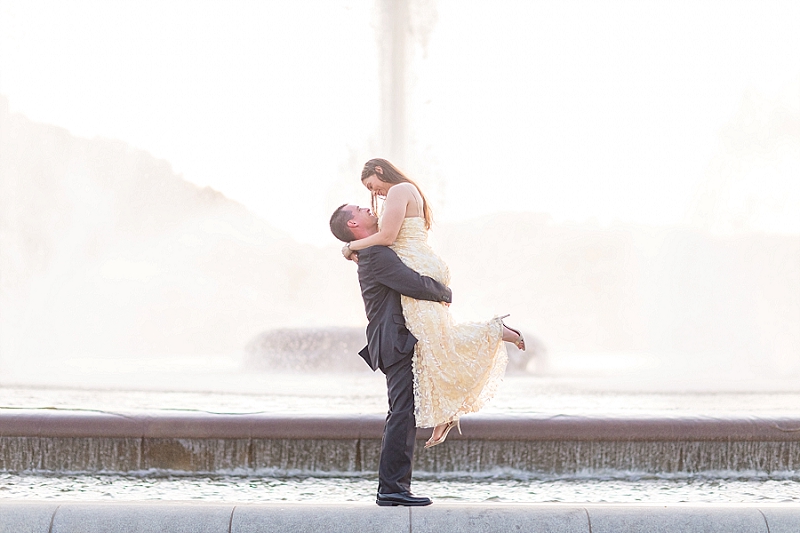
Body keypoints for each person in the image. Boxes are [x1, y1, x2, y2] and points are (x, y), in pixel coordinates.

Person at [341, 158, 525, 448]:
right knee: (432, 344)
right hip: (422, 264)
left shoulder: (399, 190)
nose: (373, 193)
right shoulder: (405, 191)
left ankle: (495, 331)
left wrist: (351, 246)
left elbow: (387, 237)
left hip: (417, 267)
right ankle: (446, 413)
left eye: (371, 185)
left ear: (378, 171)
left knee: (434, 341)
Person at [330, 203, 452, 507]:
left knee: (401, 412)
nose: (365, 206)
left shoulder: (372, 250)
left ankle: (393, 487)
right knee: (402, 414)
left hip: (393, 340)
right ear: (354, 225)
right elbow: (410, 283)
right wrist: (444, 292)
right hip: (394, 341)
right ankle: (392, 489)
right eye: (358, 209)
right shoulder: (375, 254)